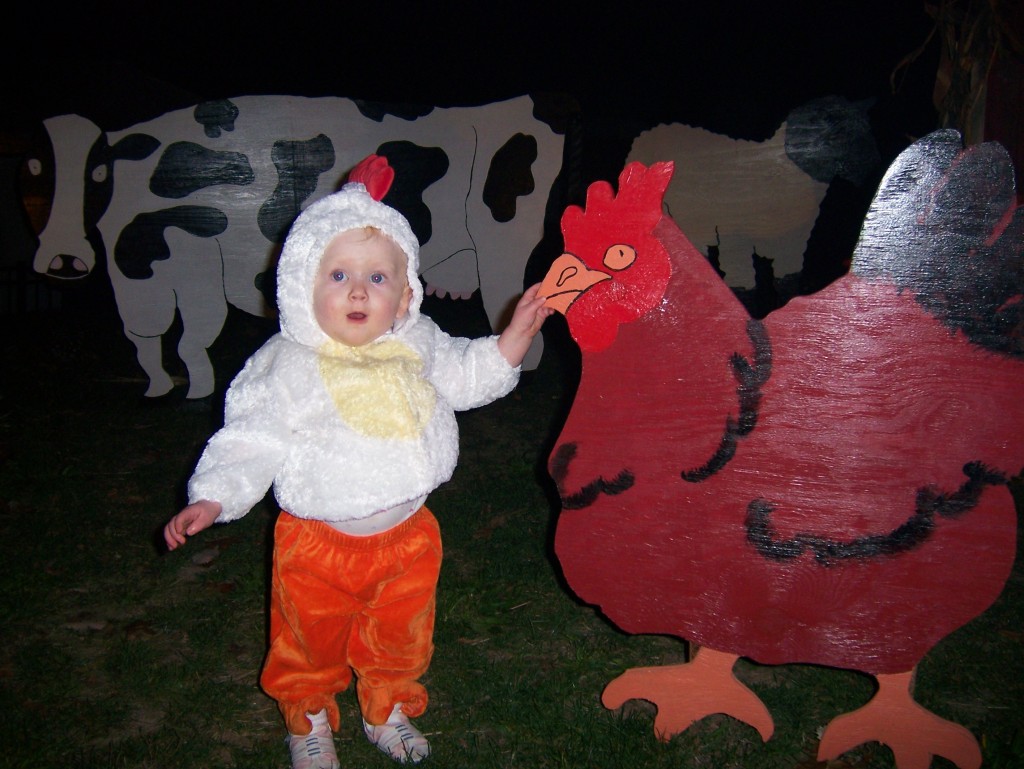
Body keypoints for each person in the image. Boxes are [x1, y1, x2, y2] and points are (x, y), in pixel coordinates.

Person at [163, 155, 552, 769]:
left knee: (400, 636)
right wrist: (214, 494)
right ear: (301, 284)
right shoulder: (285, 364)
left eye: (377, 277)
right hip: (317, 544)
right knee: (307, 639)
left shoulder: (417, 342)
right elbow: (250, 437)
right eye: (338, 273)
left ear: (403, 296)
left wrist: (514, 338)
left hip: (409, 535)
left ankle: (386, 706)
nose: (357, 291)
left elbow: (470, 373)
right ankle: (309, 716)